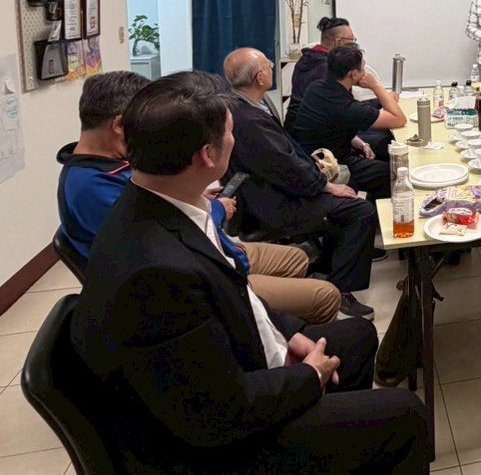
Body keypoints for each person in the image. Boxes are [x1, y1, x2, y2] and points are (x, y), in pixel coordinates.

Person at [71, 73, 460, 475]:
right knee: (405, 417)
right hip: (207, 465)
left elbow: (234, 294)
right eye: (230, 135)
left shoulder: (158, 206)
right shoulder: (155, 270)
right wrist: (308, 378)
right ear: (208, 156)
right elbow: (220, 414)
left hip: (222, 383)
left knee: (354, 338)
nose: (238, 142)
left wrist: (291, 336)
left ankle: (346, 473)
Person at [56, 70, 343, 325]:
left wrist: (194, 195)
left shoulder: (111, 165)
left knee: (296, 259)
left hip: (208, 249)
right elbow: (169, 235)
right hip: (195, 275)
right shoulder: (91, 188)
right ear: (120, 125)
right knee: (326, 296)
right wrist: (215, 210)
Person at [225, 47, 379, 320]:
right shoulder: (250, 120)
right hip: (274, 202)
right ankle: (342, 291)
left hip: (271, 190)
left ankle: (327, 262)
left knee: (347, 192)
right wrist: (325, 185)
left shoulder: (245, 106)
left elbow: (286, 158)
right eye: (267, 64)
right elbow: (285, 167)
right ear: (260, 78)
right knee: (359, 209)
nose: (272, 67)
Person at [286, 45, 406, 200]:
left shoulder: (316, 87)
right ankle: (377, 211)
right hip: (332, 165)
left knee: (383, 144)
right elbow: (399, 119)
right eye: (363, 68)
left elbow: (333, 126)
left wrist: (362, 144)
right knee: (390, 173)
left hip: (313, 156)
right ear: (354, 74)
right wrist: (375, 85)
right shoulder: (344, 106)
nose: (365, 72)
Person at [289, 16, 353, 106]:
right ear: (338, 42)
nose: (353, 45)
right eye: (351, 40)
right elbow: (342, 105)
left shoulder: (305, 59)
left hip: (296, 113)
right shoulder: (330, 67)